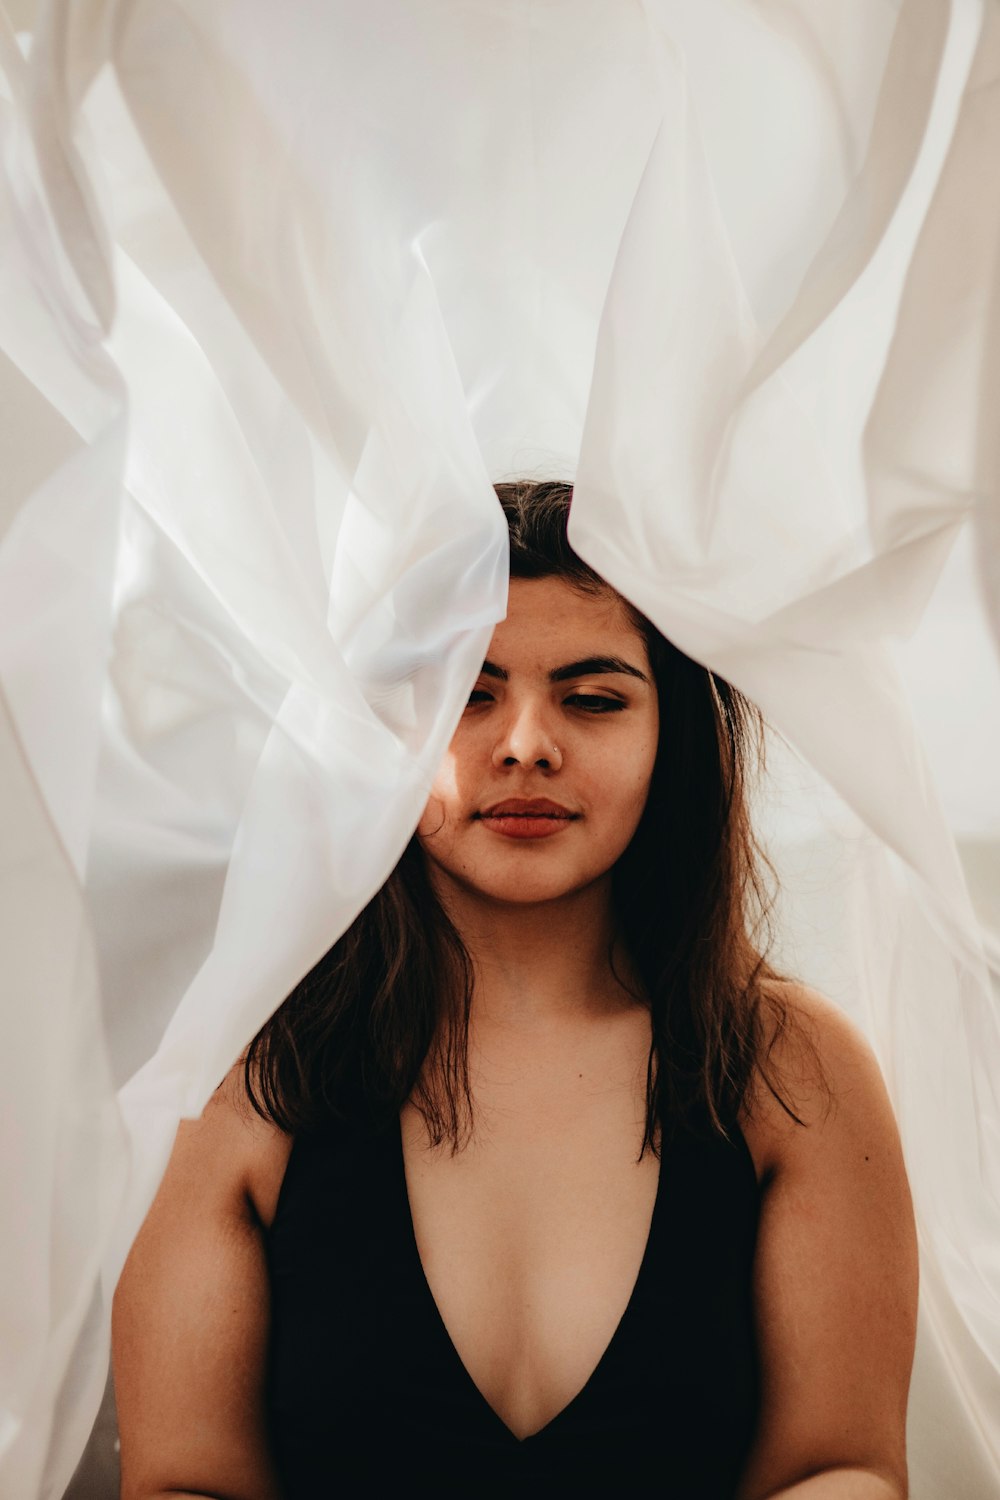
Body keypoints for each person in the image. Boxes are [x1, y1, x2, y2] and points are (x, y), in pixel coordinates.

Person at [111, 481, 918, 1498]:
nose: (526, 743)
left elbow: (840, 1467)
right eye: (467, 694)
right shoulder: (245, 1075)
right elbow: (183, 1481)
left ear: (672, 742)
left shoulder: (797, 1070)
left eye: (592, 698)